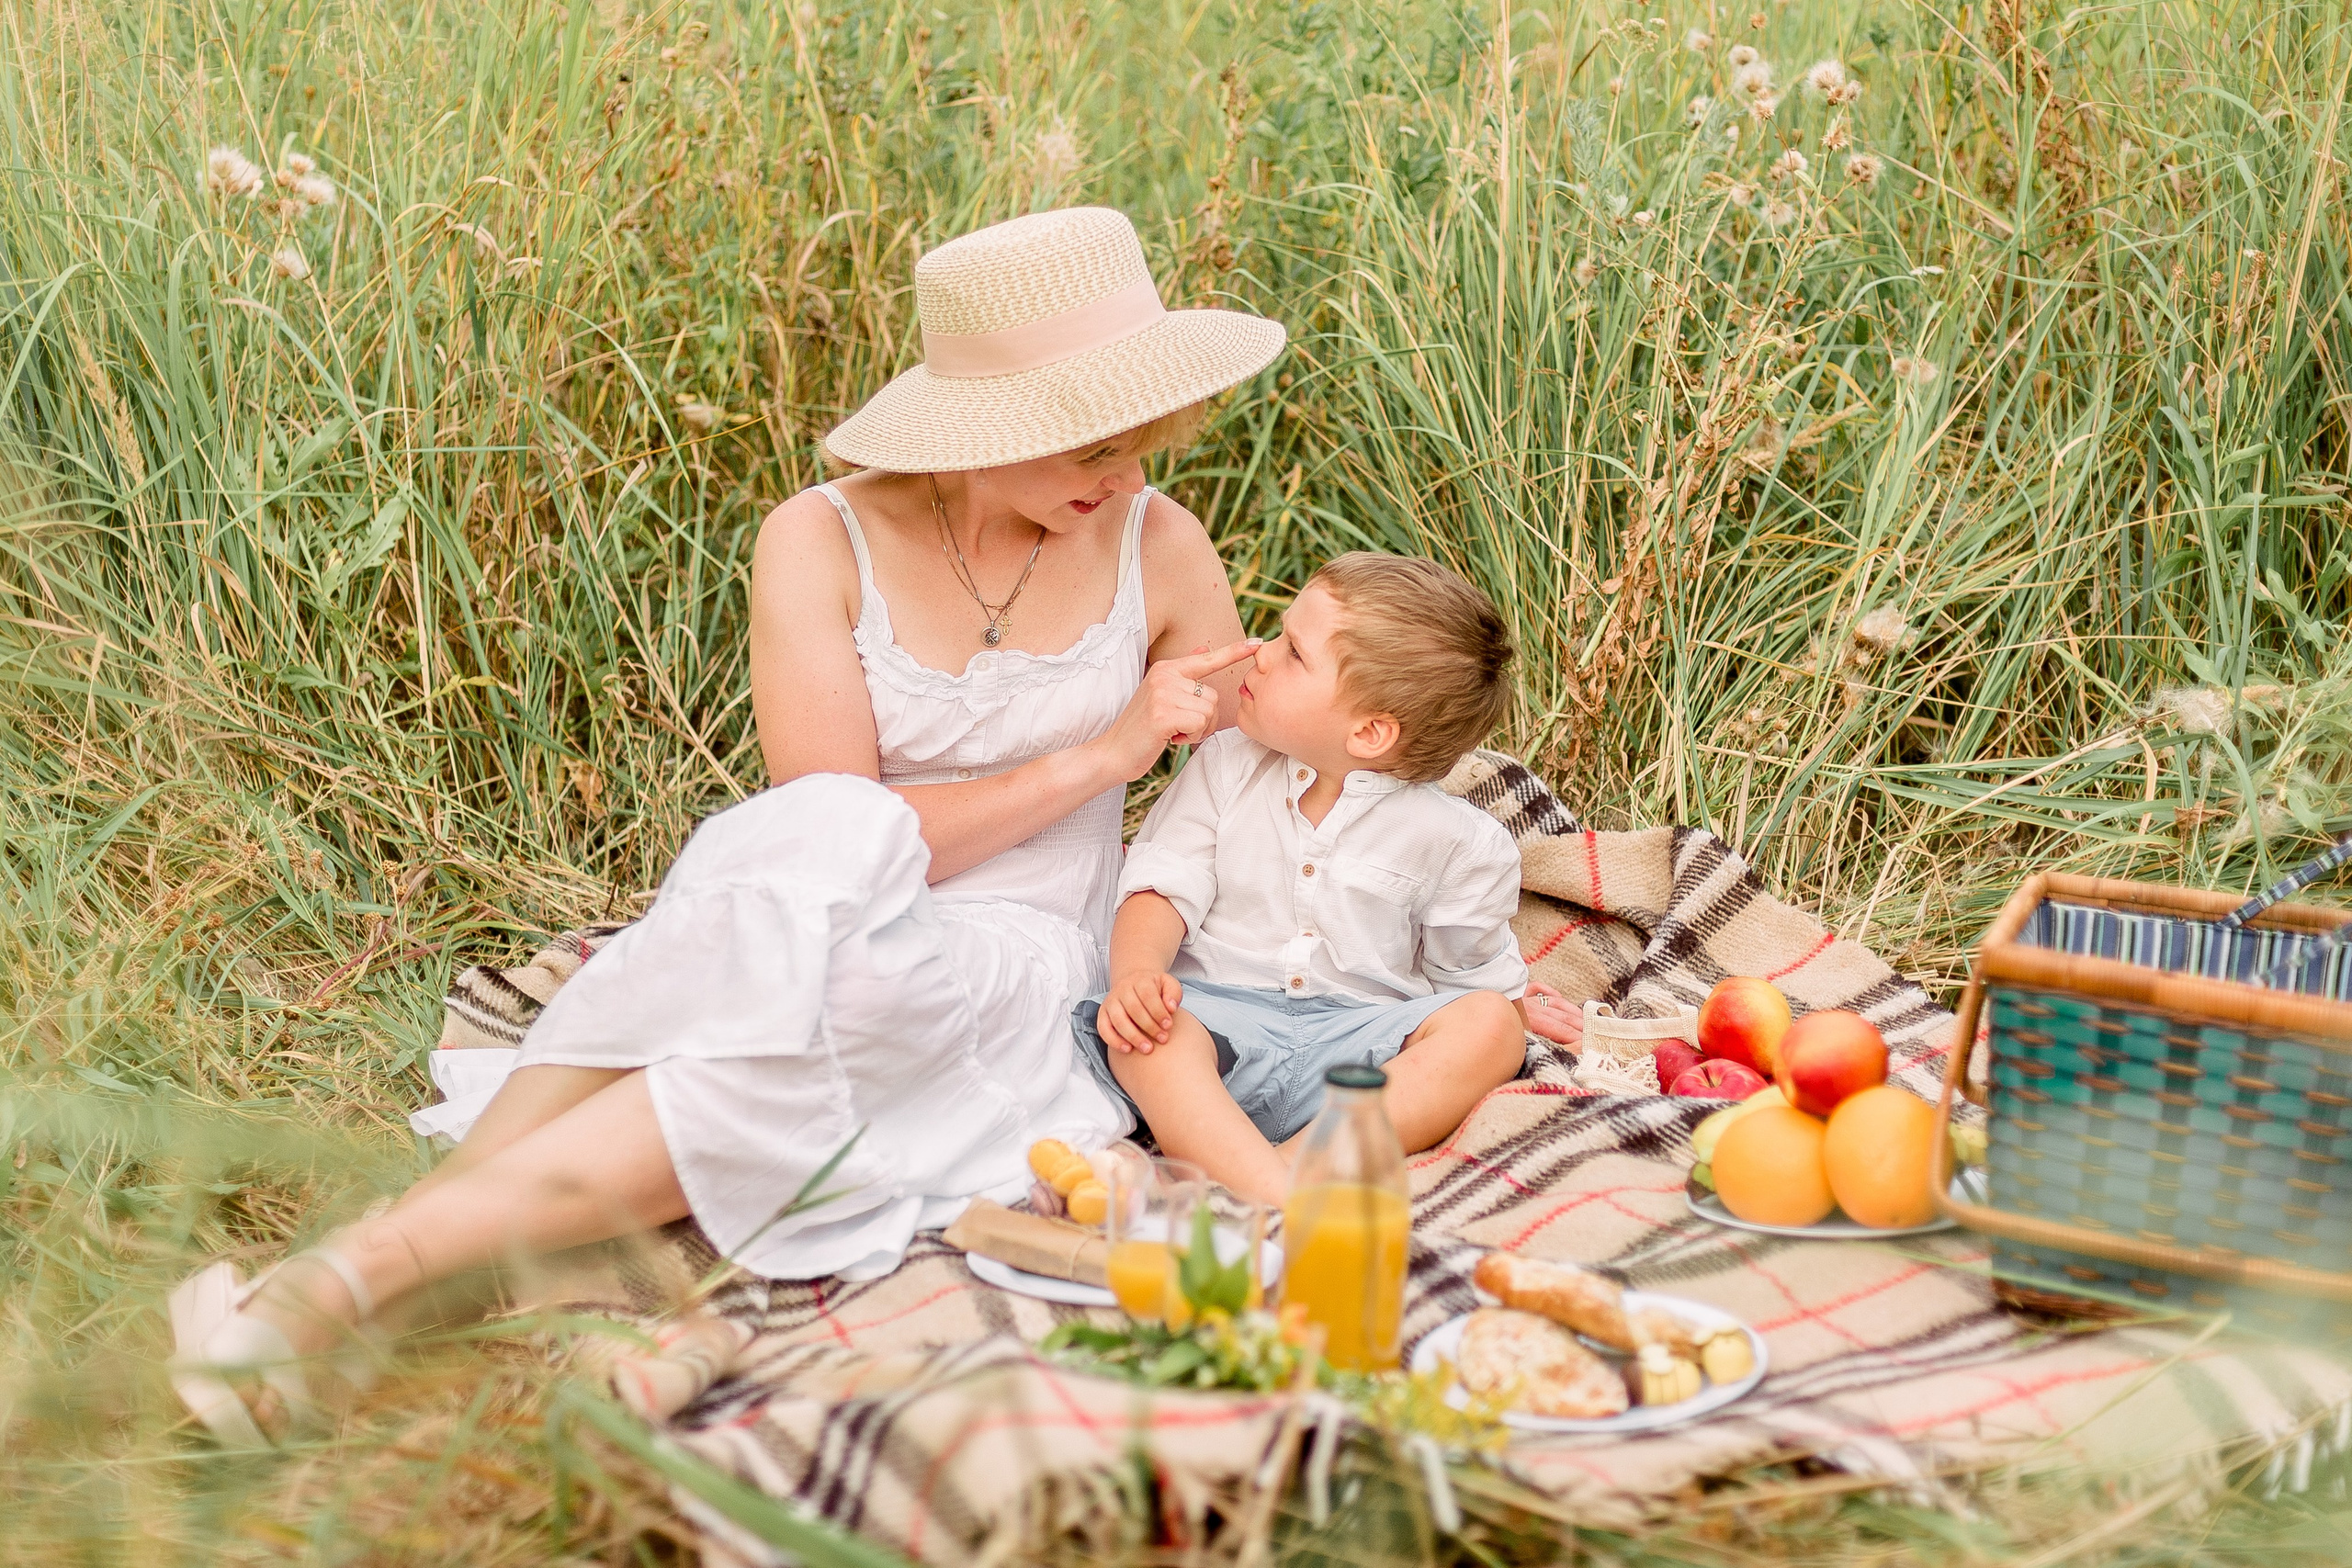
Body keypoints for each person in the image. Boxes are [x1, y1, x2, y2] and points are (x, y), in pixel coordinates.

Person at [166, 206, 1294, 1444]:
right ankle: (342, 1289)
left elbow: (1240, 803)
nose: (1129, 470)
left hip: (1016, 947)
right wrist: (1105, 750)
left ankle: (338, 1284)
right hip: (826, 890)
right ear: (981, 427)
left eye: (1145, 435)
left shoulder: (1160, 544)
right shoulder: (819, 538)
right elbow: (841, 819)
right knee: (812, 861)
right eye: (1094, 438)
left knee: (808, 1013)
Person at [1075, 553, 1534, 1205]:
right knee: (1147, 1038)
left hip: (1360, 1052)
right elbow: (1159, 884)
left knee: (1491, 1028)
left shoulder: (1462, 842)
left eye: (1293, 652)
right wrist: (1136, 976)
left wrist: (1509, 1009)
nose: (1260, 653)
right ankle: (1272, 1185)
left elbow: (1472, 975)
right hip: (1222, 1030)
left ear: (1370, 731)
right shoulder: (1225, 766)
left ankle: (1279, 1174)